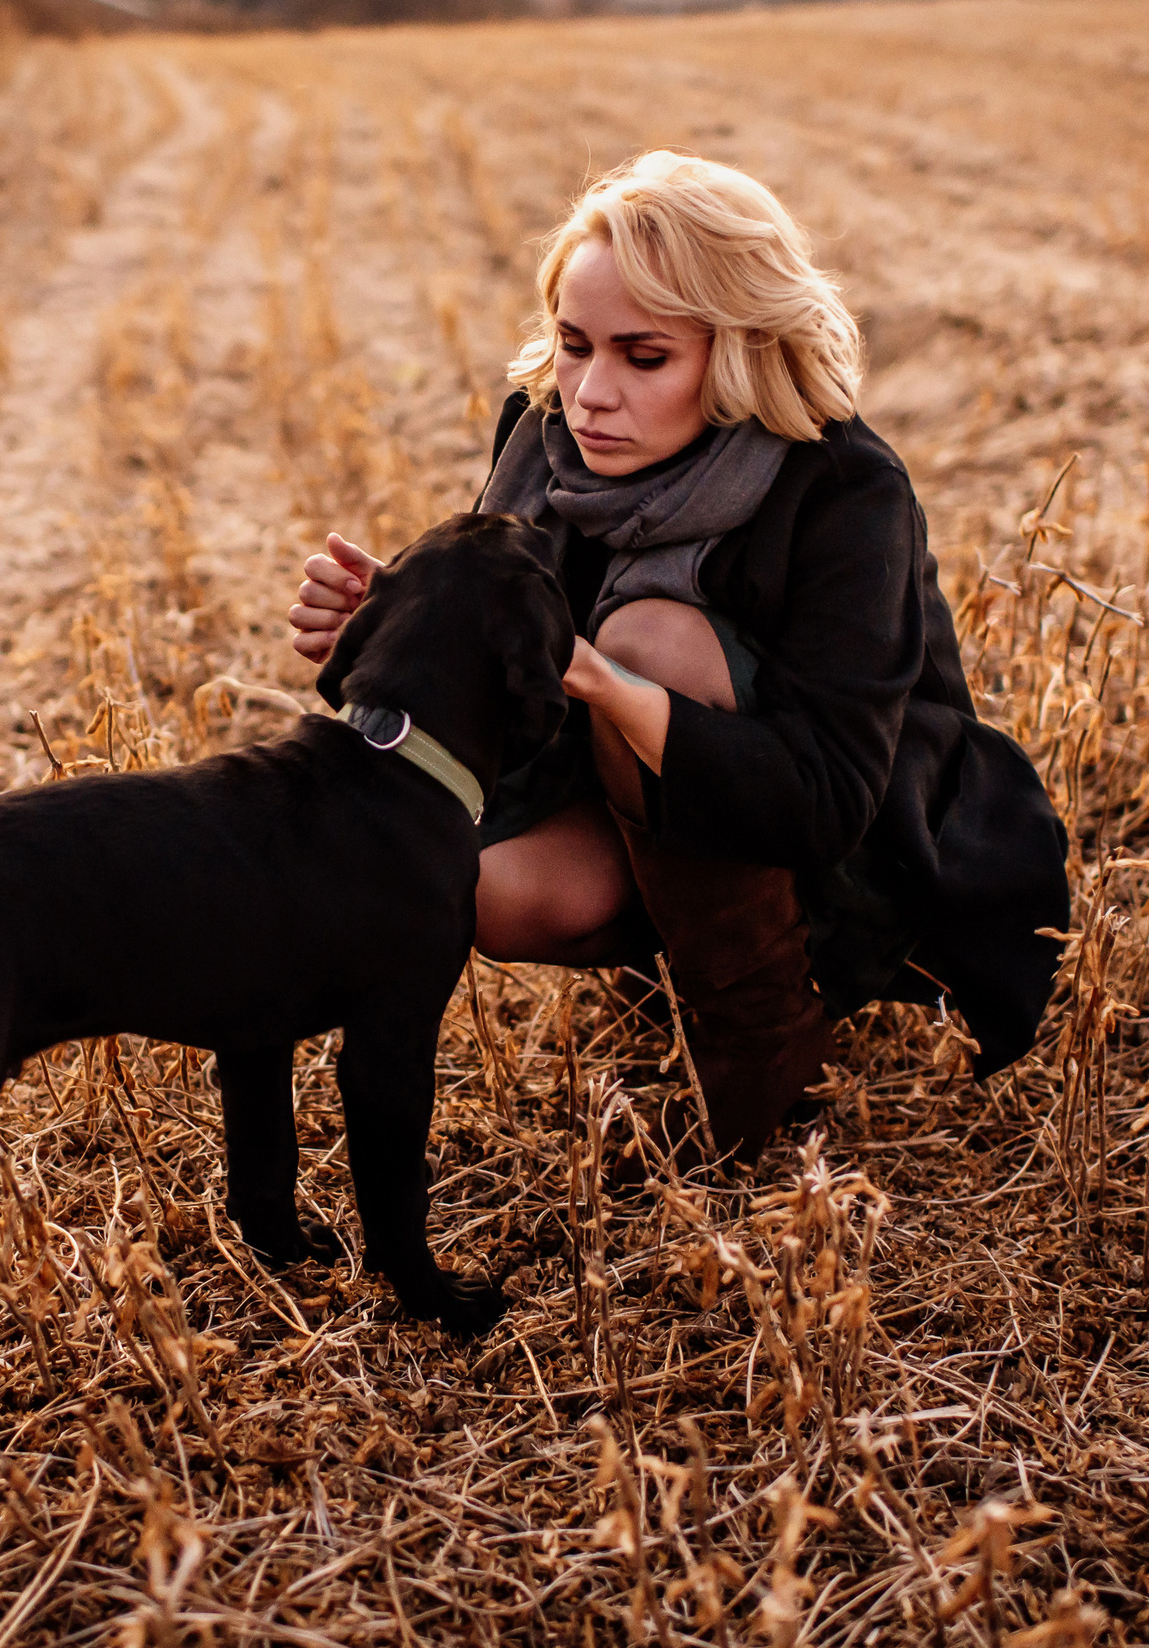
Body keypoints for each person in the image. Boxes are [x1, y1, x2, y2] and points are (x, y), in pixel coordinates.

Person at [290, 151, 1070, 1165]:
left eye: (641, 357)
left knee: (650, 634)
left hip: (849, 837)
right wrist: (379, 629)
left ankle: (763, 1038)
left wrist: (616, 685)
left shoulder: (843, 487)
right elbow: (508, 666)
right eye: (573, 345)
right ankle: (677, 952)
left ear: (737, 349)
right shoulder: (544, 432)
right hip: (623, 774)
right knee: (489, 886)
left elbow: (829, 797)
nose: (590, 392)